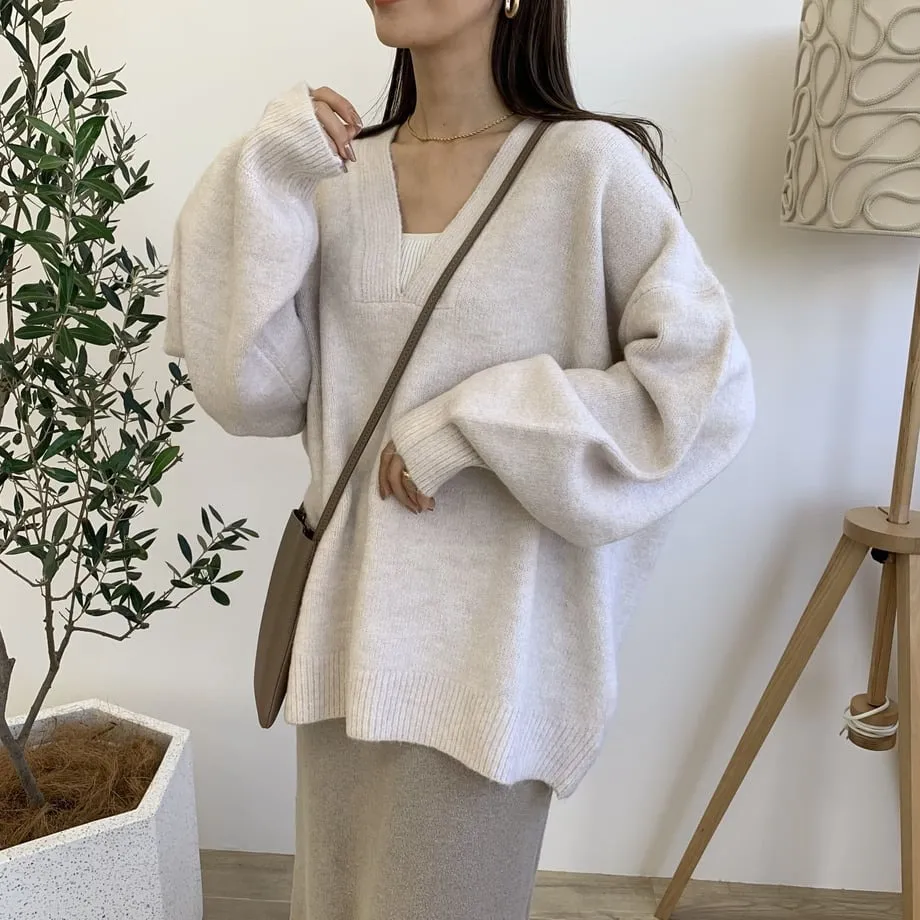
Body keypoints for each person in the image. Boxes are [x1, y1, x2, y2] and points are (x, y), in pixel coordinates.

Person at [164, 0, 756, 916]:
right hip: (343, 654)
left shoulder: (587, 169)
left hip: (488, 673)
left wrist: (479, 422)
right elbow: (252, 393)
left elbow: (705, 390)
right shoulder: (337, 176)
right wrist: (270, 175)